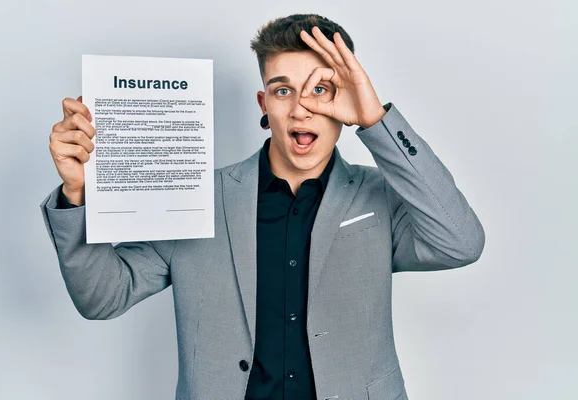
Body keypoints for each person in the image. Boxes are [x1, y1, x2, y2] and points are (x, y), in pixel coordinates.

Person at [41, 13, 485, 400]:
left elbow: (460, 242)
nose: (301, 110)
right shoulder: (196, 196)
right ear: (263, 104)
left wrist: (376, 120)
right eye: (282, 91)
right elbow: (103, 297)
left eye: (322, 90)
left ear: (346, 99)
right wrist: (76, 195)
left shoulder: (380, 197)